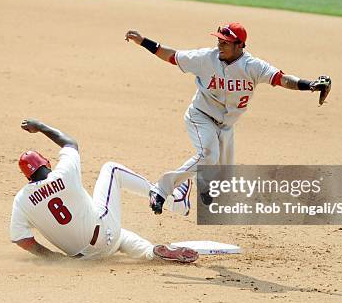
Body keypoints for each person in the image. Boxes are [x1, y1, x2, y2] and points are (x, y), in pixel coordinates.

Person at [125, 23, 331, 214]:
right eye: (219, 41)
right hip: (200, 116)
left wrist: (309, 85)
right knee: (207, 154)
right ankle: (160, 189)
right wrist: (144, 41)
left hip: (226, 127)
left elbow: (282, 79)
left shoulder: (253, 66)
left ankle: (204, 185)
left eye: (226, 43)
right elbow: (172, 56)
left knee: (224, 179)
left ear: (240, 45)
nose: (220, 46)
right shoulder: (206, 58)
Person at [10, 118, 199, 263]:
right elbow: (70, 143)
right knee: (111, 169)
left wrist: (54, 258)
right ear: (46, 163)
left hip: (83, 258)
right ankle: (172, 199)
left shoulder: (21, 201)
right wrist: (41, 126)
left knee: (119, 236)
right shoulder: (63, 172)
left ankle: (152, 251)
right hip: (104, 233)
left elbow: (22, 240)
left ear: (28, 177)